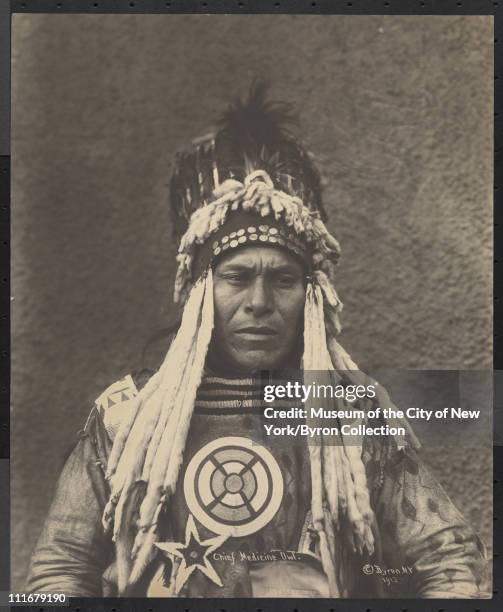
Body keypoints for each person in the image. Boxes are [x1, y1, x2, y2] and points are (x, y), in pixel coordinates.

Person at [27, 83, 490, 598]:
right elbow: (57, 573)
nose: (259, 302)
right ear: (202, 292)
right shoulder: (125, 418)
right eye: (237, 277)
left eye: (284, 281)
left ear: (312, 298)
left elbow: (451, 563)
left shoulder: (349, 415)